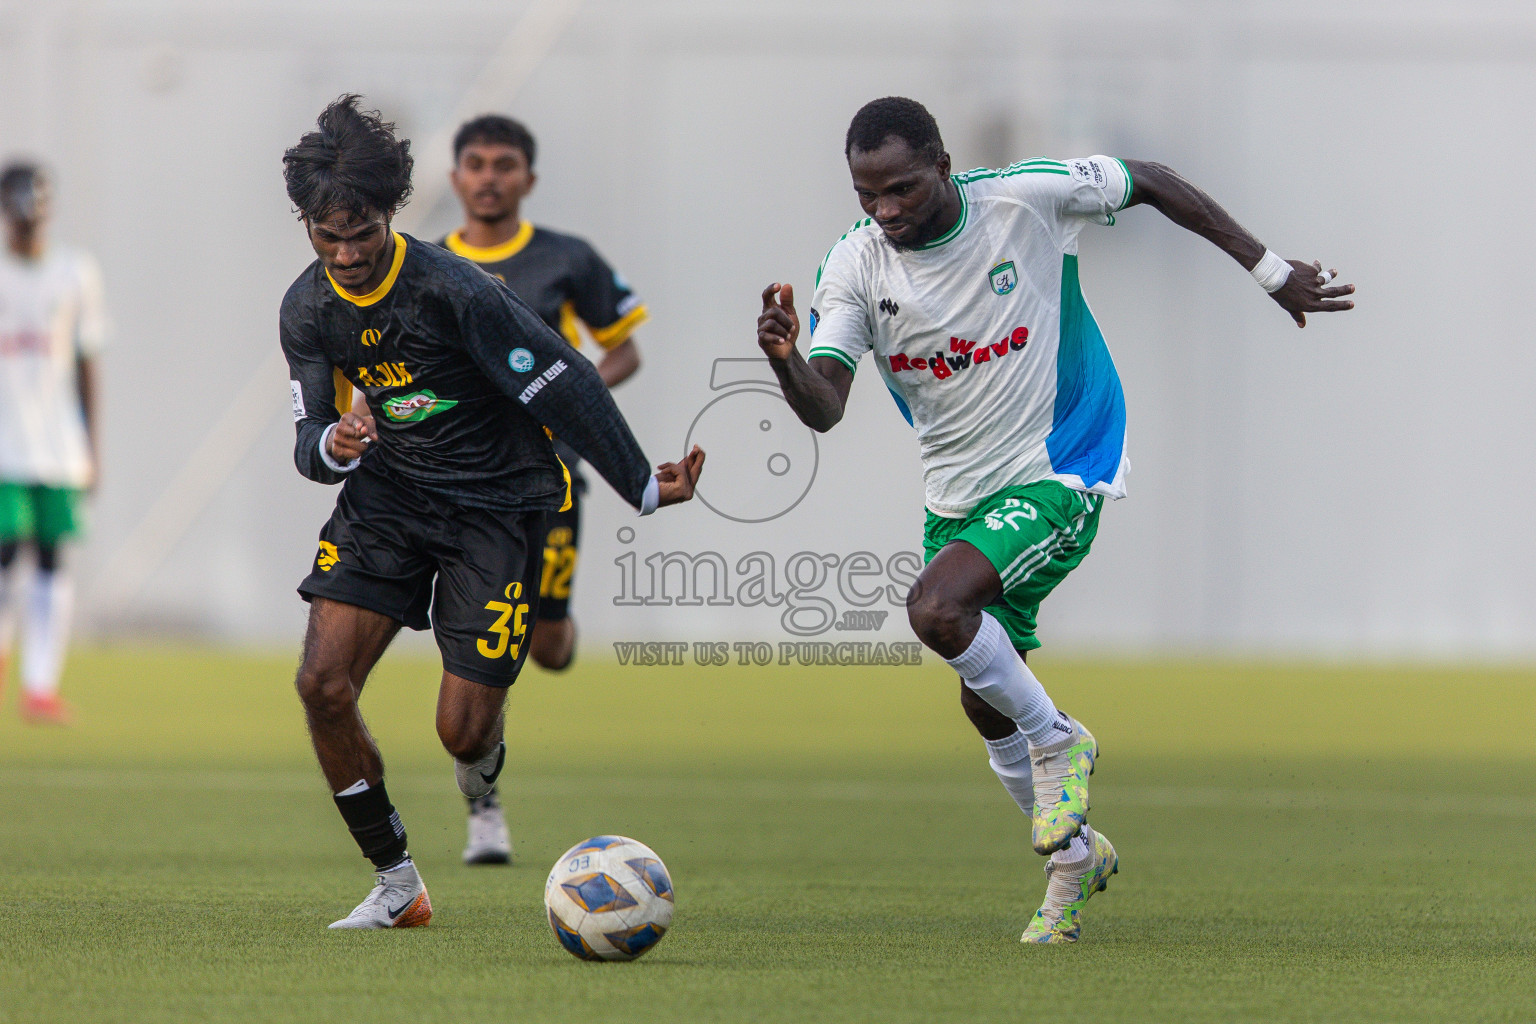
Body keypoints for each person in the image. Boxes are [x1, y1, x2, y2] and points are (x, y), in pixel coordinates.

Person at [756, 97, 1354, 944]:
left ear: (942, 166)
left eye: (901, 189)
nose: (885, 210)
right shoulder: (853, 266)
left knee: (936, 610)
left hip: (1064, 463)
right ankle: (1074, 861)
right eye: (867, 194)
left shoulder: (1025, 199)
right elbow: (826, 406)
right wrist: (786, 360)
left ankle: (1062, 741)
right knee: (985, 703)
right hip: (958, 497)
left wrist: (1270, 271)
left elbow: (1154, 181)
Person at [279, 95, 703, 930]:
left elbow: (567, 377)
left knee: (462, 735)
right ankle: (396, 885)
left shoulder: (454, 288)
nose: (348, 254)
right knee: (321, 683)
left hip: (495, 507)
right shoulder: (307, 308)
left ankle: (483, 753)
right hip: (389, 500)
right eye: (329, 237)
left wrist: (642, 485)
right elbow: (308, 439)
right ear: (307, 227)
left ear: (391, 214)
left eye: (363, 233)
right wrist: (335, 443)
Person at [437, 114, 648, 865]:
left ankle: (535, 629)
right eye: (475, 164)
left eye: (504, 164)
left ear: (528, 178)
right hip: (458, 485)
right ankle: (483, 804)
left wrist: (563, 399)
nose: (489, 177)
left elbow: (622, 351)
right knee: (477, 646)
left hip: (549, 482)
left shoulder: (567, 258)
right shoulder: (427, 265)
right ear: (455, 176)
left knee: (549, 648)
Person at [0, 162, 105, 725]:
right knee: (6, 549)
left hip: (57, 444)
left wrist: (91, 446)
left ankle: (40, 685)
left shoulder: (74, 273)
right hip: (4, 444)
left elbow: (88, 362)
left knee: (50, 558)